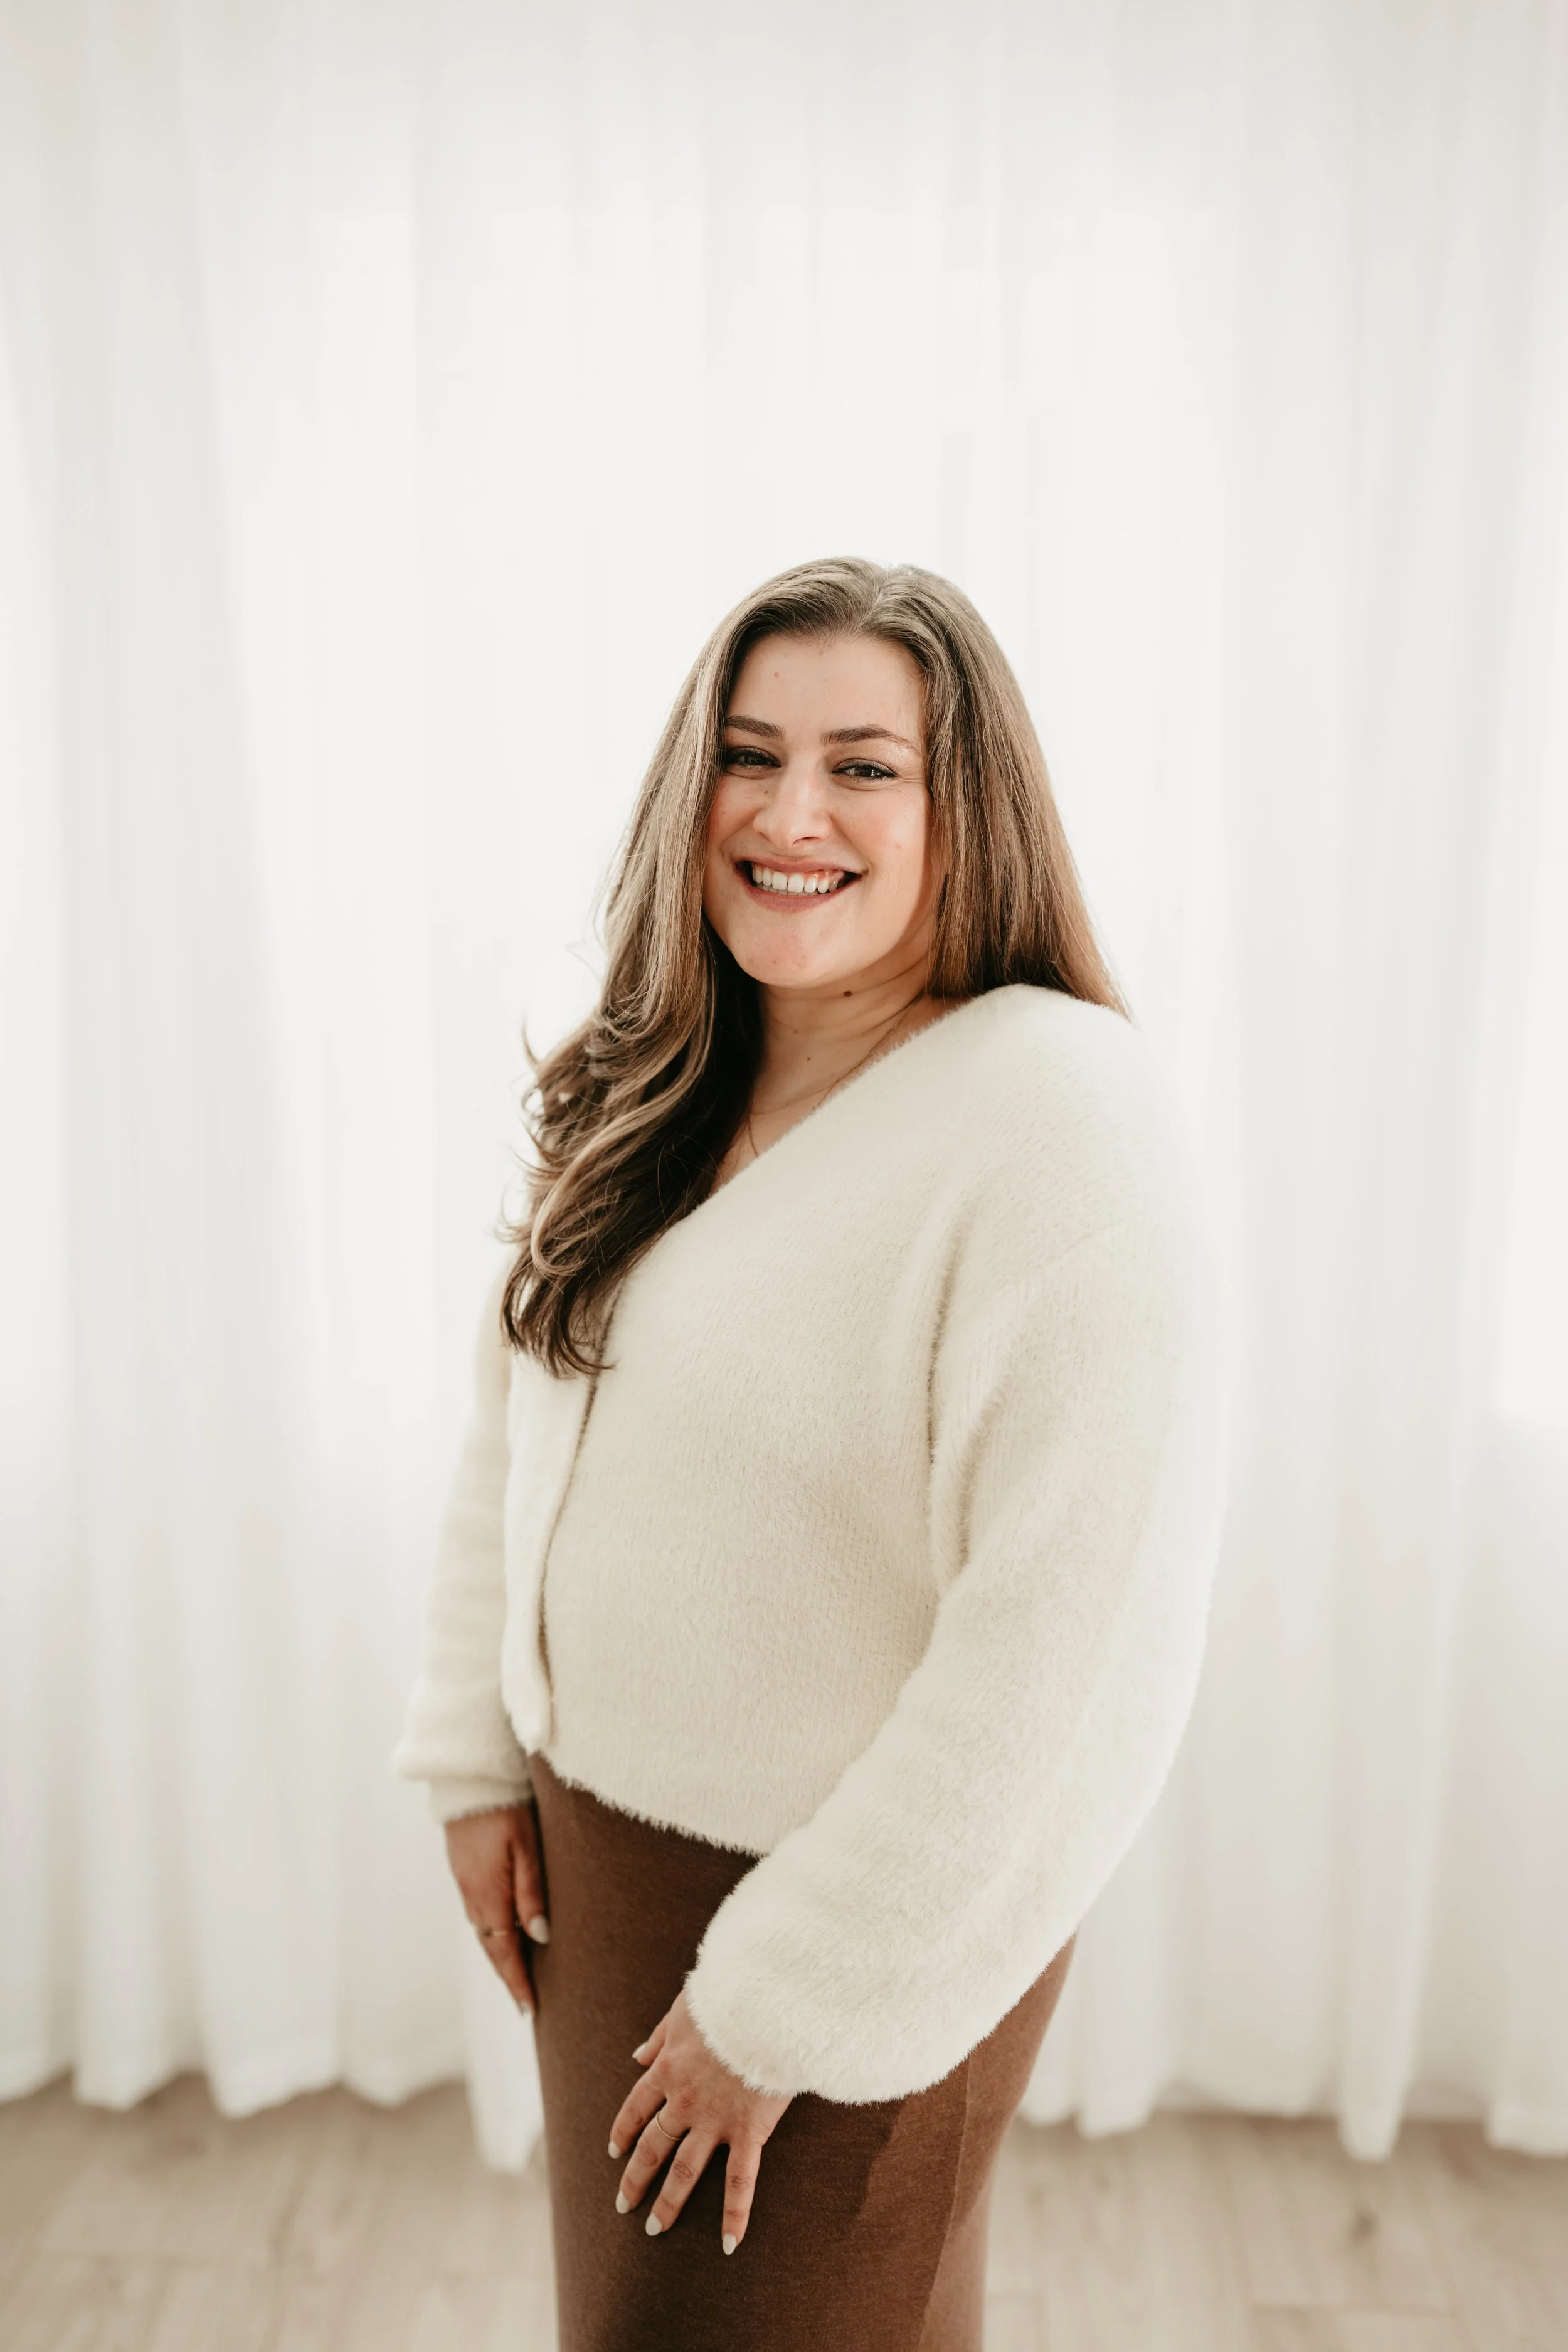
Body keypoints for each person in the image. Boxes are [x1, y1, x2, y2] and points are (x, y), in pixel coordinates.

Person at [393, 556, 1228, 2351]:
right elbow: (519, 1401)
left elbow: (1065, 1654)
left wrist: (783, 1998)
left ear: (966, 807)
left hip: (841, 1912)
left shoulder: (1058, 1120)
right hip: (600, 1865)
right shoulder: (659, 1074)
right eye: (749, 751)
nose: (789, 812)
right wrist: (476, 1746)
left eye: (865, 765)